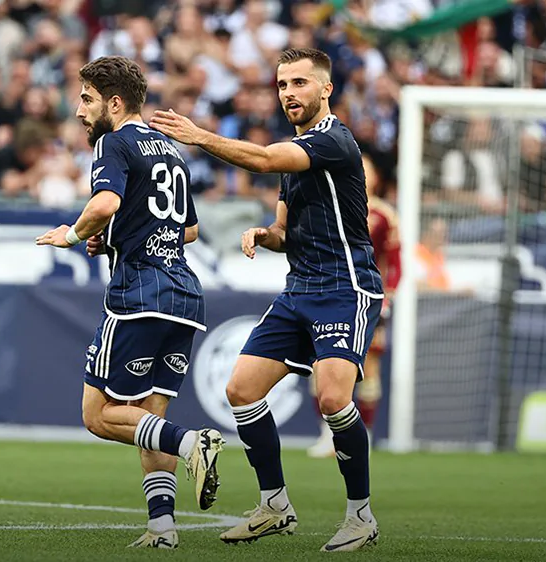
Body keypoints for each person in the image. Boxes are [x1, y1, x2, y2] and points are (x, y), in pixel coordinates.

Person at [150, 47, 383, 552]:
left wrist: (200, 136)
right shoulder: (296, 153)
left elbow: (261, 158)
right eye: (282, 85)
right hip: (300, 289)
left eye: (299, 83)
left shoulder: (334, 140)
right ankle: (274, 505)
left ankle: (360, 516)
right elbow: (284, 229)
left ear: (326, 89)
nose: (288, 93)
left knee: (333, 399)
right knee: (241, 389)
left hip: (345, 288)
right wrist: (266, 234)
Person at [35, 56, 224, 550]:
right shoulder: (171, 150)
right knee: (147, 418)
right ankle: (162, 528)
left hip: (139, 294)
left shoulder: (113, 142)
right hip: (185, 296)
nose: (80, 110)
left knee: (98, 414)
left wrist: (73, 235)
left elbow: (106, 203)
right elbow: (188, 230)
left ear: (114, 103)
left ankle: (192, 442)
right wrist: (115, 237)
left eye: (87, 99)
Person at [307, 154, 399, 457]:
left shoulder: (385, 215)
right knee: (320, 366)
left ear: (376, 178)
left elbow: (395, 263)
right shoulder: (332, 206)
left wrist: (387, 297)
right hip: (331, 298)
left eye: (367, 170)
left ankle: (365, 437)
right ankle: (327, 435)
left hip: (369, 301)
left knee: (368, 369)